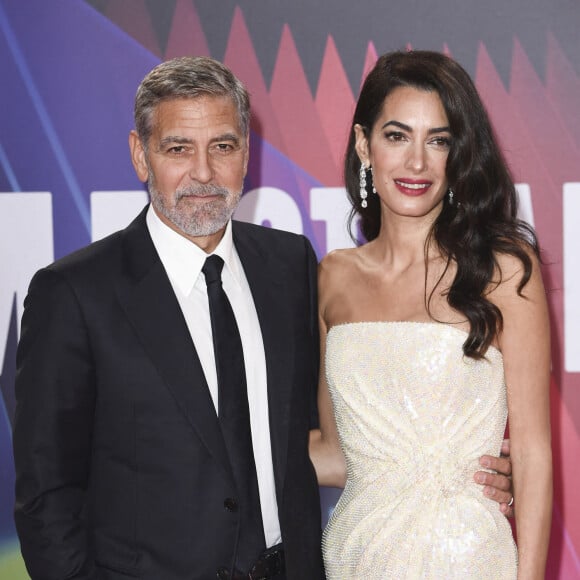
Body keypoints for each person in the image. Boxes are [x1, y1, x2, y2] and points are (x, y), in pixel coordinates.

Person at [13, 56, 324, 580]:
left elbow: (311, 438)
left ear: (246, 152)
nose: (203, 173)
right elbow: (46, 494)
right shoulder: (73, 293)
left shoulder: (290, 265)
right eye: (178, 148)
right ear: (141, 155)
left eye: (222, 146)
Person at [309, 50, 552, 579]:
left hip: (471, 560)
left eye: (438, 140)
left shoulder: (506, 270)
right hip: (359, 555)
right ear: (362, 145)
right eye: (397, 136)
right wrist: (216, 454)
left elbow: (532, 452)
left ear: (459, 154)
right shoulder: (332, 277)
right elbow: (335, 452)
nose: (417, 163)